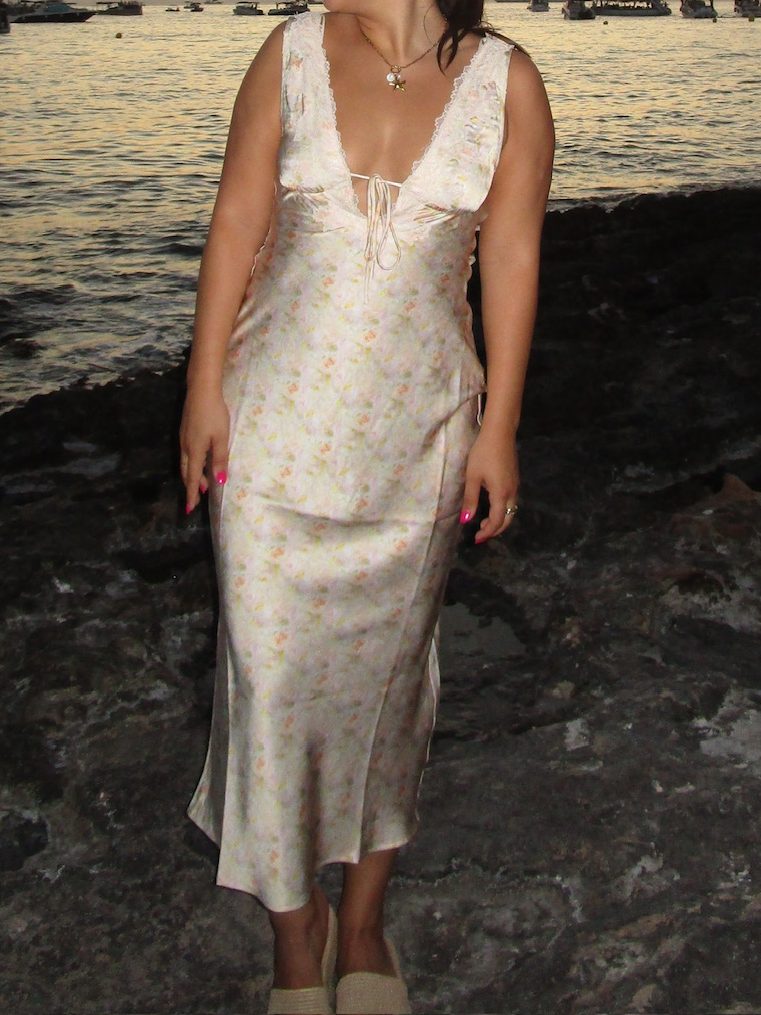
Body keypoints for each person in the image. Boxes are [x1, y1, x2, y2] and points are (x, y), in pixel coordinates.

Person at [179, 1, 554, 1012]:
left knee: (388, 692)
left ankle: (362, 921)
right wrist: (201, 390)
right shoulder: (291, 51)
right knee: (266, 683)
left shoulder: (507, 83)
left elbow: (512, 257)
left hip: (415, 440)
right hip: (269, 434)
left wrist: (499, 428)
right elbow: (236, 220)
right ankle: (293, 930)